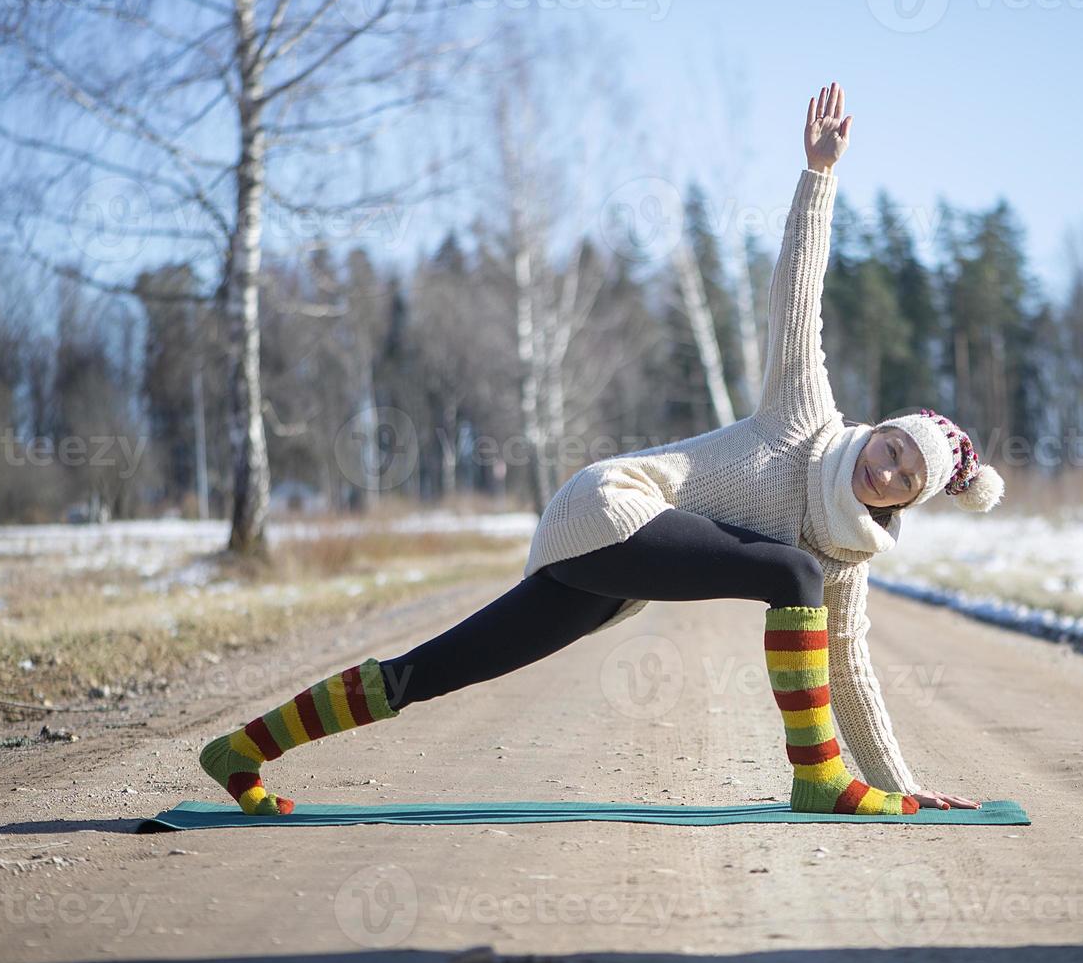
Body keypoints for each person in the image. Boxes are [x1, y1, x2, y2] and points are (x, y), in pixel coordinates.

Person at [200, 81, 1005, 818]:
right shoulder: (807, 415)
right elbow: (798, 289)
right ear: (881, 428)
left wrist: (903, 788)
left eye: (903, 477)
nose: (886, 466)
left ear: (904, 504)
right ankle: (817, 779)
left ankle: (242, 752)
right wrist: (819, 177)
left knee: (439, 667)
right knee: (786, 571)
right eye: (893, 445)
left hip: (608, 573)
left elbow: (852, 676)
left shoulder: (847, 559)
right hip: (610, 503)